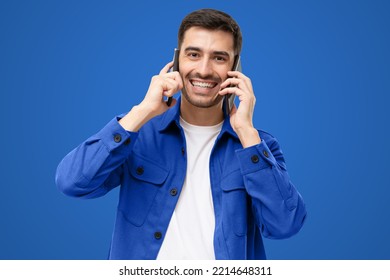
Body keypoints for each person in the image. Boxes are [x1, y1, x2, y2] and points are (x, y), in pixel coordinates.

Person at [55, 8, 306, 260]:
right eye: (193, 54)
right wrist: (142, 111)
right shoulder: (138, 133)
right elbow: (72, 183)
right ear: (177, 61)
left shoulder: (260, 147)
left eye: (219, 58)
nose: (204, 70)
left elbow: (284, 225)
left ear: (235, 67)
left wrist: (246, 132)